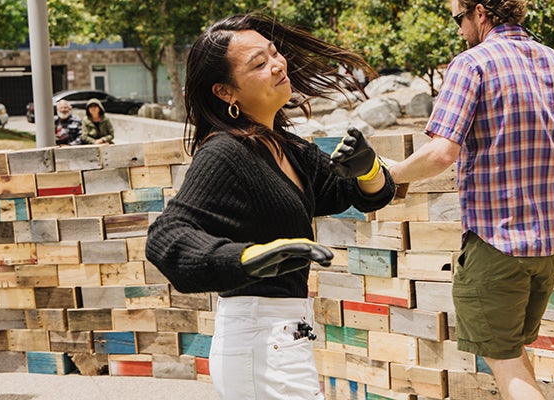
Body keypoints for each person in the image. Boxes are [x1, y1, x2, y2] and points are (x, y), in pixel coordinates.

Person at [145, 13, 396, 400]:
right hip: (261, 346)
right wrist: (247, 259)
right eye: (259, 64)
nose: (277, 65)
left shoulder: (285, 147)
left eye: (274, 53)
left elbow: (360, 193)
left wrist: (368, 168)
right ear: (226, 92)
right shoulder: (224, 153)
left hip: (283, 340)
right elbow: (167, 237)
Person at [389, 1, 554, 399]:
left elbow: (441, 153)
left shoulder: (473, 64)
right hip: (549, 248)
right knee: (512, 353)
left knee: (506, 366)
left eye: (458, 19)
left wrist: (392, 173)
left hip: (496, 245)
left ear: (481, 12)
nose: (458, 30)